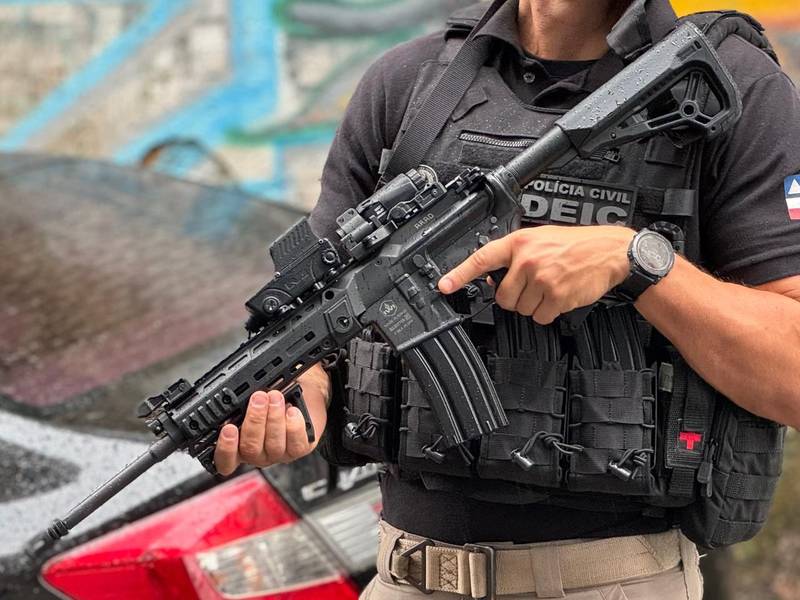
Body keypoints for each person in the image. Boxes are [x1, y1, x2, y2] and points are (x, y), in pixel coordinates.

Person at [213, 1, 800, 598]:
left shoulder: (732, 86)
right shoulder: (408, 83)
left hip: (611, 581)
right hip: (403, 575)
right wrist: (297, 399)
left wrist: (637, 262)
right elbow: (319, 312)